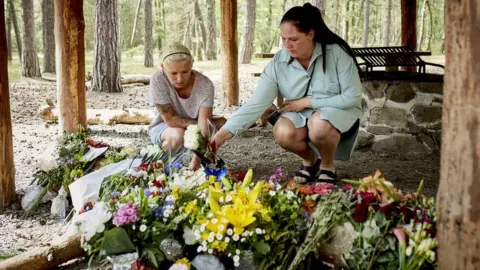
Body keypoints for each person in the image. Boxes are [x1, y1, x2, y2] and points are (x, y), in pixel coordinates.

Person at [213, 3, 362, 183]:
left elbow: (352, 98)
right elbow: (255, 105)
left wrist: (308, 102)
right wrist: (221, 136)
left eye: (293, 39)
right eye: (283, 39)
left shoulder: (337, 53)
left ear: (310, 34)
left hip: (338, 112)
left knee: (320, 124)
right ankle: (310, 161)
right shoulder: (279, 62)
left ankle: (327, 166)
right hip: (302, 115)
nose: (287, 45)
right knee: (282, 132)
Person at [147, 42, 226, 170]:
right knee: (179, 135)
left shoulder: (205, 85)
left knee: (222, 125)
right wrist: (203, 126)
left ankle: (201, 161)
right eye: (173, 73)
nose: (179, 79)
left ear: (192, 64)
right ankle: (160, 165)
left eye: (185, 71)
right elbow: (171, 120)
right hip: (165, 126)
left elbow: (204, 125)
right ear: (162, 67)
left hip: (191, 124)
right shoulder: (157, 79)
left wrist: (195, 163)